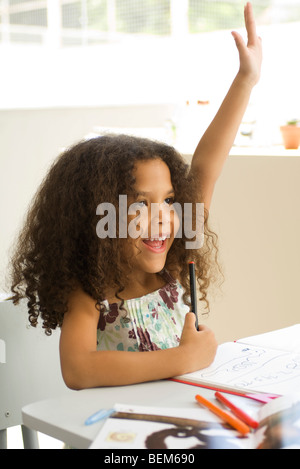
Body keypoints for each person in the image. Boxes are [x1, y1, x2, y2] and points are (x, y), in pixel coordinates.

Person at [9, 3, 262, 389]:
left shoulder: (172, 271)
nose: (162, 216)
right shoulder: (92, 292)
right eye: (141, 204)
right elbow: (77, 370)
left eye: (169, 200)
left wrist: (246, 79)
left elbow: (207, 167)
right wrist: (184, 357)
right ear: (98, 219)